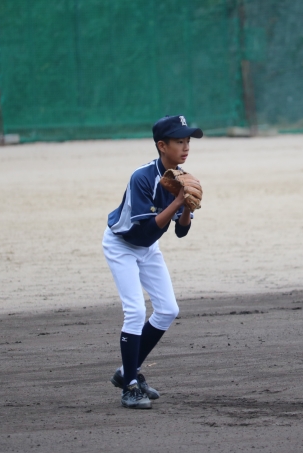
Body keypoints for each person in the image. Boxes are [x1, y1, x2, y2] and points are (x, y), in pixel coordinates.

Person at [102, 115, 203, 409]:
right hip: (121, 245)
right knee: (135, 311)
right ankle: (130, 388)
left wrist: (187, 207)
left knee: (168, 309)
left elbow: (181, 231)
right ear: (162, 145)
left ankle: (127, 372)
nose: (186, 147)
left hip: (147, 248)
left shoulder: (181, 178)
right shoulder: (142, 177)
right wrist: (178, 200)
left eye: (188, 141)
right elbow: (145, 229)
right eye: (179, 141)